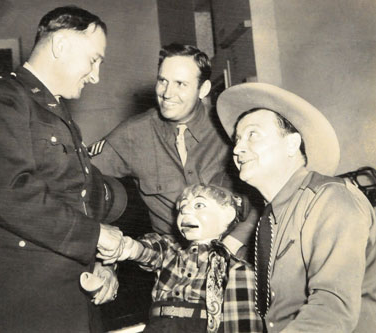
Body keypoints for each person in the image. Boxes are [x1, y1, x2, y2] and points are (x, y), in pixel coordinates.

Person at [0, 6, 127, 332]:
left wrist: (103, 264)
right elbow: (10, 190)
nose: (96, 75)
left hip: (66, 299)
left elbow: (75, 196)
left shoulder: (53, 112)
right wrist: (94, 235)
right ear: (61, 46)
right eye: (94, 59)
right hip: (18, 305)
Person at [216, 82, 376, 332]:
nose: (237, 149)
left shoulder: (331, 199)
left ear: (292, 144)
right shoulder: (271, 219)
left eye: (253, 134)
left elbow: (331, 311)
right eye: (237, 140)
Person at [89, 42, 259, 256]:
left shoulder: (230, 127)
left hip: (241, 256)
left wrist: (234, 242)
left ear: (203, 89)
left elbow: (265, 193)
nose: (167, 93)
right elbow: (78, 182)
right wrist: (98, 242)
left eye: (180, 84)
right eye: (163, 81)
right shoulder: (132, 134)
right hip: (174, 268)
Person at [83, 184, 262, 333]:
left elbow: (242, 325)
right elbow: (152, 250)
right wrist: (130, 248)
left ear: (227, 214)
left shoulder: (237, 269)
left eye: (199, 205)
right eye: (182, 208)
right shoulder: (171, 251)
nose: (186, 213)